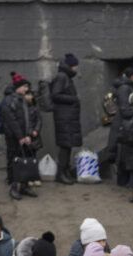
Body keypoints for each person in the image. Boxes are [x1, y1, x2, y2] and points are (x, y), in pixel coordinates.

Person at [1, 72, 40, 200]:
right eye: (24, 87)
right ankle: (13, 188)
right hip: (13, 138)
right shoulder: (8, 101)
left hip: (24, 137)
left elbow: (27, 119)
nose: (26, 89)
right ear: (18, 87)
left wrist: (28, 135)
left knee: (25, 160)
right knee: (15, 161)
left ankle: (24, 186)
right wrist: (20, 137)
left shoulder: (21, 99)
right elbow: (11, 121)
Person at [50, 53, 82, 185]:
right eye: (75, 66)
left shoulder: (66, 77)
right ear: (70, 66)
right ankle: (60, 174)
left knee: (68, 146)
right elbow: (55, 95)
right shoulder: (62, 76)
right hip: (64, 117)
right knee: (65, 146)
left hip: (67, 117)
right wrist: (74, 99)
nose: (77, 68)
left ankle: (65, 172)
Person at [106, 67, 133, 184]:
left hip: (124, 125)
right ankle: (122, 181)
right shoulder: (124, 88)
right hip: (123, 126)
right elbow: (124, 109)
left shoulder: (124, 87)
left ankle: (124, 181)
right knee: (122, 154)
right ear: (132, 76)